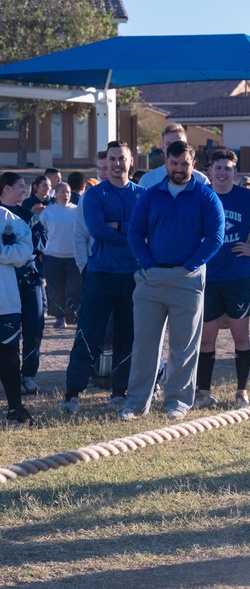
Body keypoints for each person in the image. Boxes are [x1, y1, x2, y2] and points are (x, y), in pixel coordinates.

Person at [120, 140, 224, 420]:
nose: (178, 169)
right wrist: (148, 265)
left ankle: (177, 402)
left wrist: (190, 266)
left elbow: (215, 237)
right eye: (173, 163)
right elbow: (134, 233)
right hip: (150, 280)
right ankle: (135, 404)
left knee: (184, 346)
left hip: (187, 281)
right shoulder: (150, 195)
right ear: (166, 162)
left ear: (193, 164)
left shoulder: (206, 196)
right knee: (144, 345)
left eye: (184, 164)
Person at [193, 149, 250, 410]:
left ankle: (241, 392)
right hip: (207, 277)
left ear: (235, 172)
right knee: (206, 338)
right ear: (209, 170)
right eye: (218, 167)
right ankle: (203, 392)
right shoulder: (199, 195)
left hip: (238, 276)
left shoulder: (248, 198)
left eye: (228, 168)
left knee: (240, 336)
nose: (223, 173)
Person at [59, 143, 142, 415]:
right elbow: (97, 230)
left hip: (132, 277)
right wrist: (130, 233)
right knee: (88, 334)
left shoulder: (143, 195)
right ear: (106, 162)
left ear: (131, 161)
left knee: (126, 336)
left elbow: (147, 230)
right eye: (112, 159)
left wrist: (118, 226)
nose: (117, 164)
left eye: (122, 159)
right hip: (99, 275)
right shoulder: (93, 195)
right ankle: (72, 393)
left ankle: (119, 391)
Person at [0, 173, 46, 398]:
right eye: (20, 187)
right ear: (6, 188)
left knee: (34, 327)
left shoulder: (28, 216)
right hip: (5, 285)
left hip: (29, 279)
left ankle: (27, 374)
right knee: (7, 334)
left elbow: (39, 241)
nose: (24, 191)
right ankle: (9, 378)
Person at [0, 201, 34, 425]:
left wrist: (2, 252)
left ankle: (15, 409)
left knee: (9, 355)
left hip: (5, 301)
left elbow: (25, 250)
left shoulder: (6, 217)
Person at [40, 183, 82, 329]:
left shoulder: (77, 211)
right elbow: (41, 233)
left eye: (68, 192)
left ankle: (73, 314)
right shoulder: (48, 212)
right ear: (56, 193)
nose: (66, 195)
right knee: (56, 288)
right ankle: (59, 316)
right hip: (52, 255)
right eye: (63, 192)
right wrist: (41, 252)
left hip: (73, 256)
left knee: (74, 288)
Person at [138, 123, 210, 189]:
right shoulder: (148, 181)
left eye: (179, 143)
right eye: (169, 144)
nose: (174, 148)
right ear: (163, 148)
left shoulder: (202, 181)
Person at [74, 151, 109, 274]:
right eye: (98, 168)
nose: (101, 173)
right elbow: (80, 235)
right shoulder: (87, 197)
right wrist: (83, 266)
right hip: (95, 268)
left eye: (105, 168)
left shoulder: (131, 194)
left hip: (126, 266)